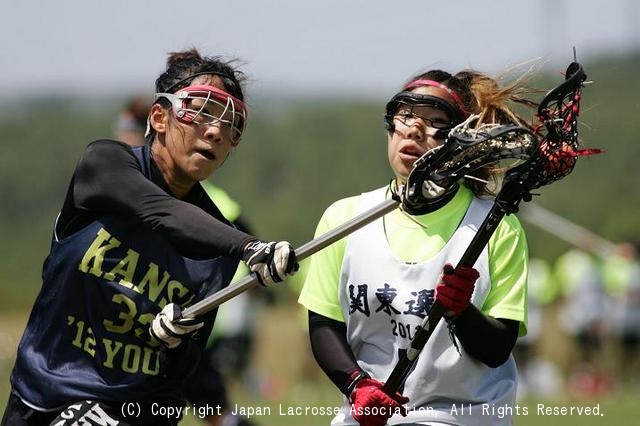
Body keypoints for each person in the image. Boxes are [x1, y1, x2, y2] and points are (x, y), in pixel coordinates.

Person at [2, 48, 298, 426]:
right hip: (43, 397)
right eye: (203, 111)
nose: (216, 130)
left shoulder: (217, 248)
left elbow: (184, 370)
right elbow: (160, 212)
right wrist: (249, 246)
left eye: (231, 124)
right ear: (159, 117)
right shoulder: (103, 165)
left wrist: (175, 343)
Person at [299, 69, 533, 425]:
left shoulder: (496, 227)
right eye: (404, 116)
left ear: (462, 138)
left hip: (462, 416)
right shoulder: (344, 218)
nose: (413, 129)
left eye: (434, 121)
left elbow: (497, 349)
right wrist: (357, 385)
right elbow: (323, 323)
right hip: (368, 413)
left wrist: (462, 312)